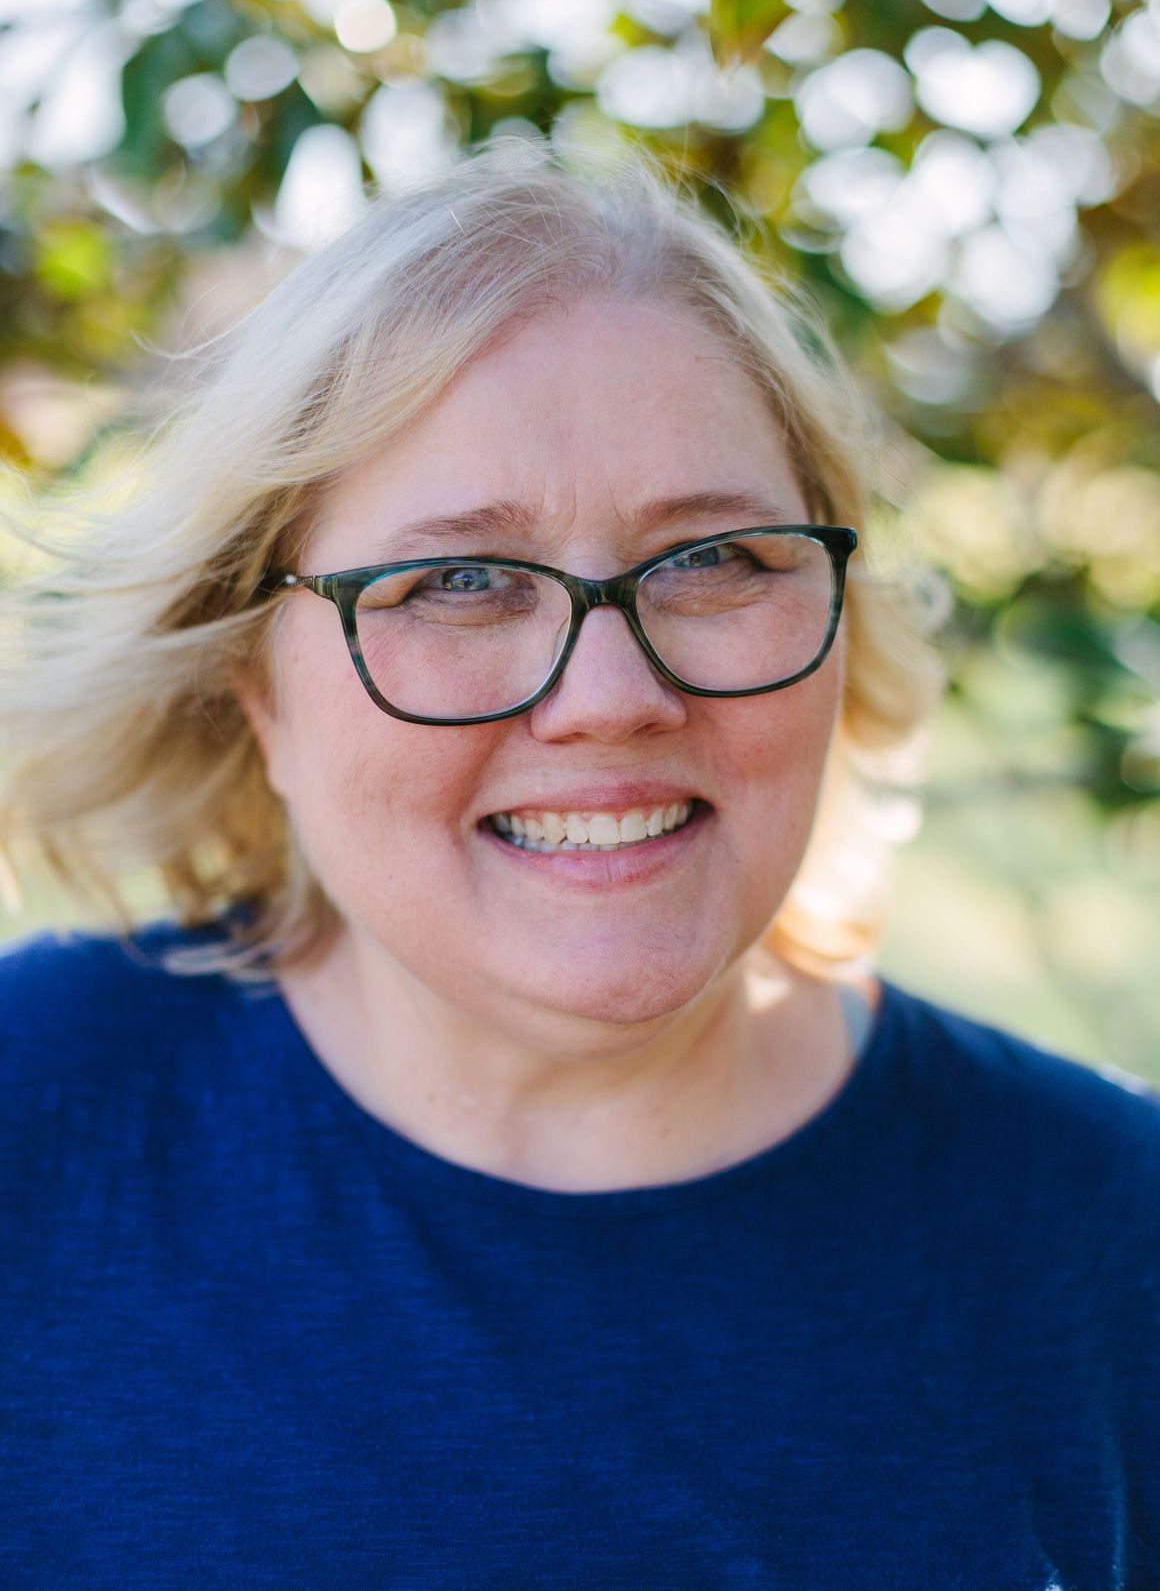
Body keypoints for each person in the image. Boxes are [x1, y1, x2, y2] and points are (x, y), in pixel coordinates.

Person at [0, 142, 1156, 1589]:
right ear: (258, 690)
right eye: (459, 582)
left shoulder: (1116, 1241)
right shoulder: (32, 1128)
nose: (610, 693)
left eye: (718, 558)